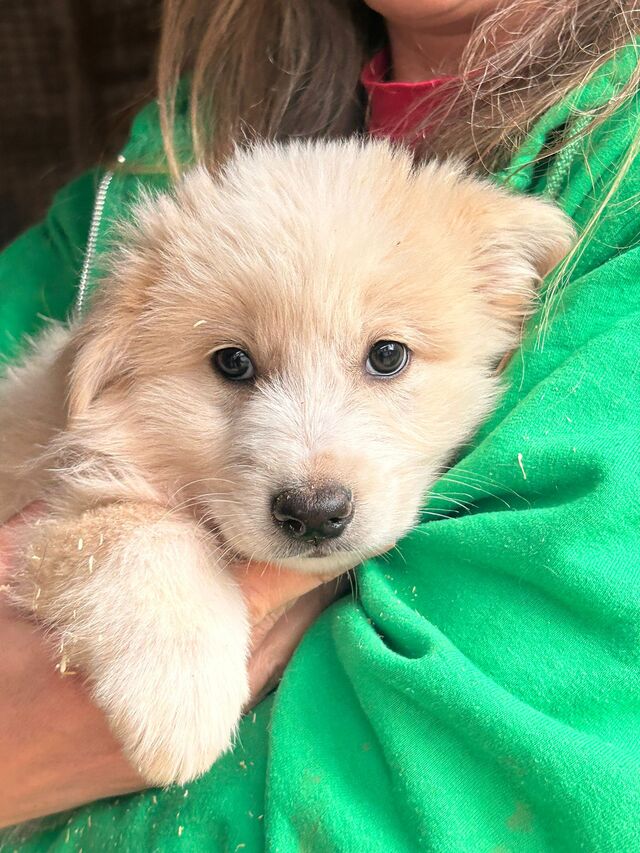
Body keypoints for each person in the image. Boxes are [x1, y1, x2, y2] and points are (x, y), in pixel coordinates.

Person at [1, 0, 639, 848]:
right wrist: (129, 551)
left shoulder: (593, 213)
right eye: (234, 365)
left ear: (505, 291)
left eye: (386, 356)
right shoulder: (167, 151)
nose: (311, 476)